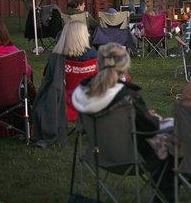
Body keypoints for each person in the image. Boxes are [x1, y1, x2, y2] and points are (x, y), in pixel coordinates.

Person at [73, 43, 174, 202]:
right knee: (171, 154)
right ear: (125, 65)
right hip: (133, 157)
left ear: (99, 62)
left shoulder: (84, 93)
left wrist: (143, 115)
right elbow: (151, 129)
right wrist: (152, 117)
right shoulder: (127, 96)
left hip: (98, 154)